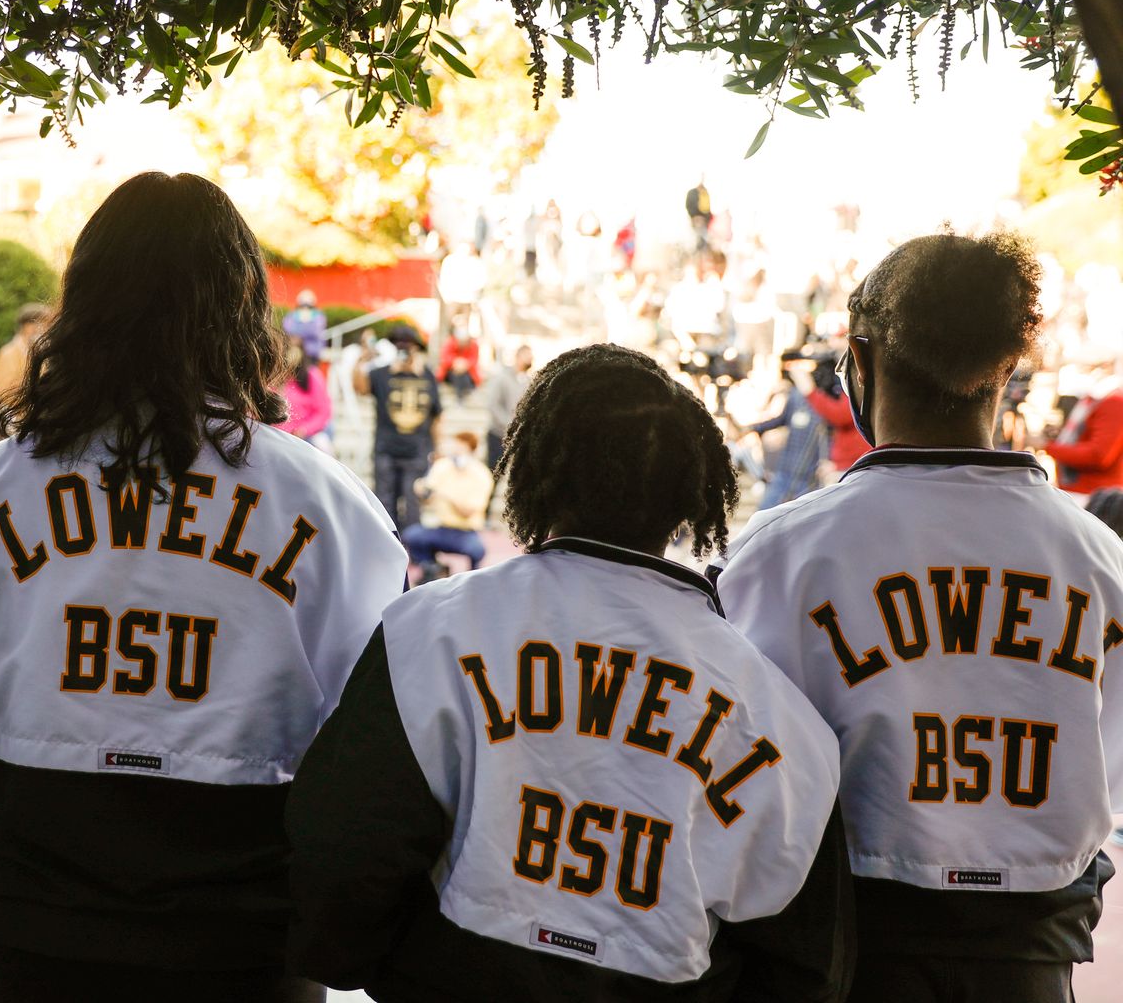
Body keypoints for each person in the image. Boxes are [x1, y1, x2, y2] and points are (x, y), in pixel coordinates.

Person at [0, 172, 406, 1003]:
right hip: (243, 929)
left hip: (39, 914)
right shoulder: (334, 511)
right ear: (241, 308)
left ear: (85, 304)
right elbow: (364, 741)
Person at [287, 344, 849, 1002]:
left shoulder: (432, 629)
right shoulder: (777, 711)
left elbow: (344, 859)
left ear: (530, 472)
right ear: (693, 493)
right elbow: (806, 964)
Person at [716, 232, 1123, 1003]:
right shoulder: (1102, 560)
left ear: (860, 362)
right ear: (1006, 370)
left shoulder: (779, 555)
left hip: (846, 947)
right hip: (1034, 956)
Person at [356, 325, 442, 529]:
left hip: (416, 450)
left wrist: (437, 447)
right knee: (385, 502)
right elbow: (360, 388)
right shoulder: (381, 374)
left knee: (413, 503)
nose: (404, 350)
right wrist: (363, 359)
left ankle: (414, 547)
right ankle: (390, 545)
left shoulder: (427, 376)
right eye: (400, 346)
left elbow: (437, 414)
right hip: (386, 449)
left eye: (408, 346)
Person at [740, 352, 829, 510]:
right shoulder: (794, 395)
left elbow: (831, 431)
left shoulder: (824, 399)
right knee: (764, 514)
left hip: (809, 475)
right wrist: (753, 428)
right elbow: (781, 419)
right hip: (785, 470)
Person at [397, 431, 490, 577]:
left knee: (477, 550)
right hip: (441, 528)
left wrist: (445, 494)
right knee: (411, 536)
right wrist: (421, 490)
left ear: (471, 449)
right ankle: (435, 569)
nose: (456, 451)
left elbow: (468, 511)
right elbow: (427, 496)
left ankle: (472, 577)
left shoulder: (481, 474)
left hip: (466, 532)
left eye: (461, 447)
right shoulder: (442, 466)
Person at [1042, 358, 1123, 494]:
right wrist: (1059, 436)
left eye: (1082, 367)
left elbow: (1098, 455)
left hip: (1093, 494)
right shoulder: (1094, 399)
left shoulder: (1114, 402)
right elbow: (1085, 436)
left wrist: (1048, 447)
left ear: (1102, 368)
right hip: (1079, 490)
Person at [807, 356, 867, 476]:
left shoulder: (860, 382)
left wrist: (810, 391)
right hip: (846, 465)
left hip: (853, 466)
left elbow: (841, 415)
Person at [277, 332, 332, 451]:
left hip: (306, 438)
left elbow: (323, 412)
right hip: (279, 438)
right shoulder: (274, 378)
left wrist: (304, 429)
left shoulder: (312, 375)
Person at [0, 303, 50, 400]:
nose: (43, 330)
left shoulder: (42, 352)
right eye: (40, 324)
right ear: (26, 326)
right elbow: (2, 391)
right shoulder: (8, 352)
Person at [437, 325, 480, 401]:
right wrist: (456, 362)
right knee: (457, 375)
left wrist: (465, 364)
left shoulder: (473, 345)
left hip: (468, 371)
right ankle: (461, 397)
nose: (463, 343)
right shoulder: (449, 343)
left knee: (464, 377)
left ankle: (465, 395)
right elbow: (444, 358)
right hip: (451, 371)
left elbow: (474, 359)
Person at [283, 289, 327, 361]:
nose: (305, 308)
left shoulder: (319, 316)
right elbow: (287, 328)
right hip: (296, 352)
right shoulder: (292, 315)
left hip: (312, 353)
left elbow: (315, 331)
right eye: (302, 305)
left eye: (309, 306)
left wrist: (300, 335)